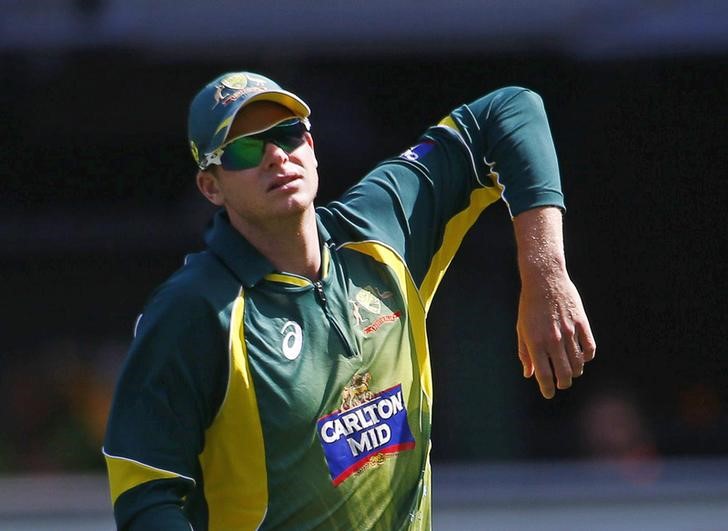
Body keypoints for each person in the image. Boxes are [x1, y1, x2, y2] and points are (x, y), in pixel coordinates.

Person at [103, 71, 596, 530]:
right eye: (244, 150)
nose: (276, 155)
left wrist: (544, 273)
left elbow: (510, 111)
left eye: (289, 133)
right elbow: (146, 489)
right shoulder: (192, 311)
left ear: (311, 146)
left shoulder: (377, 230)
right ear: (211, 186)